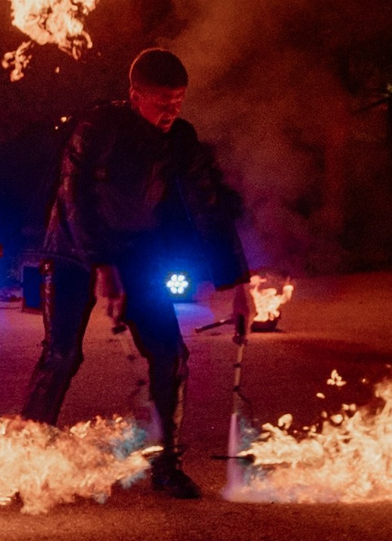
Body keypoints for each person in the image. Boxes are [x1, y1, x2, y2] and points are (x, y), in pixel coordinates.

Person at [19, 47, 248, 499]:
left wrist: (239, 284)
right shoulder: (96, 129)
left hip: (137, 250)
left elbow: (210, 207)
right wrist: (102, 267)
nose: (171, 111)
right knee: (62, 354)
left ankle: (166, 464)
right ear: (135, 95)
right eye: (162, 101)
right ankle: (25, 459)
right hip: (72, 249)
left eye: (178, 101)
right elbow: (73, 198)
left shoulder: (180, 139)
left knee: (172, 355)